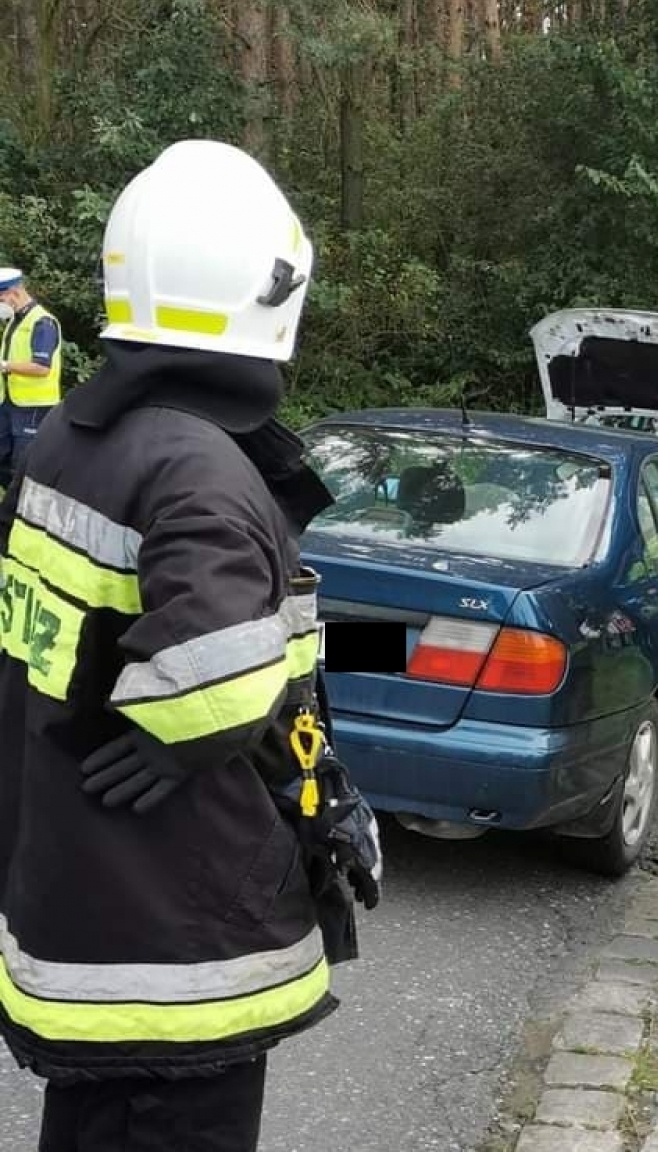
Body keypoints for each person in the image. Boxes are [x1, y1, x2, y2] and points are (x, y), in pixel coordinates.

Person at [0, 140, 370, 1152]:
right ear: (269, 293)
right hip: (175, 939)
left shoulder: (72, 439)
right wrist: (189, 726)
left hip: (84, 906)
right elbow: (218, 678)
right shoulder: (199, 468)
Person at [0, 267, 63, 486]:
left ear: (14, 294)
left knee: (22, 463)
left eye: (0, 299)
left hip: (33, 407)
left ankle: (17, 511)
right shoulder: (14, 320)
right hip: (9, 402)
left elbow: (41, 367)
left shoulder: (43, 323)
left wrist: (5, 366)